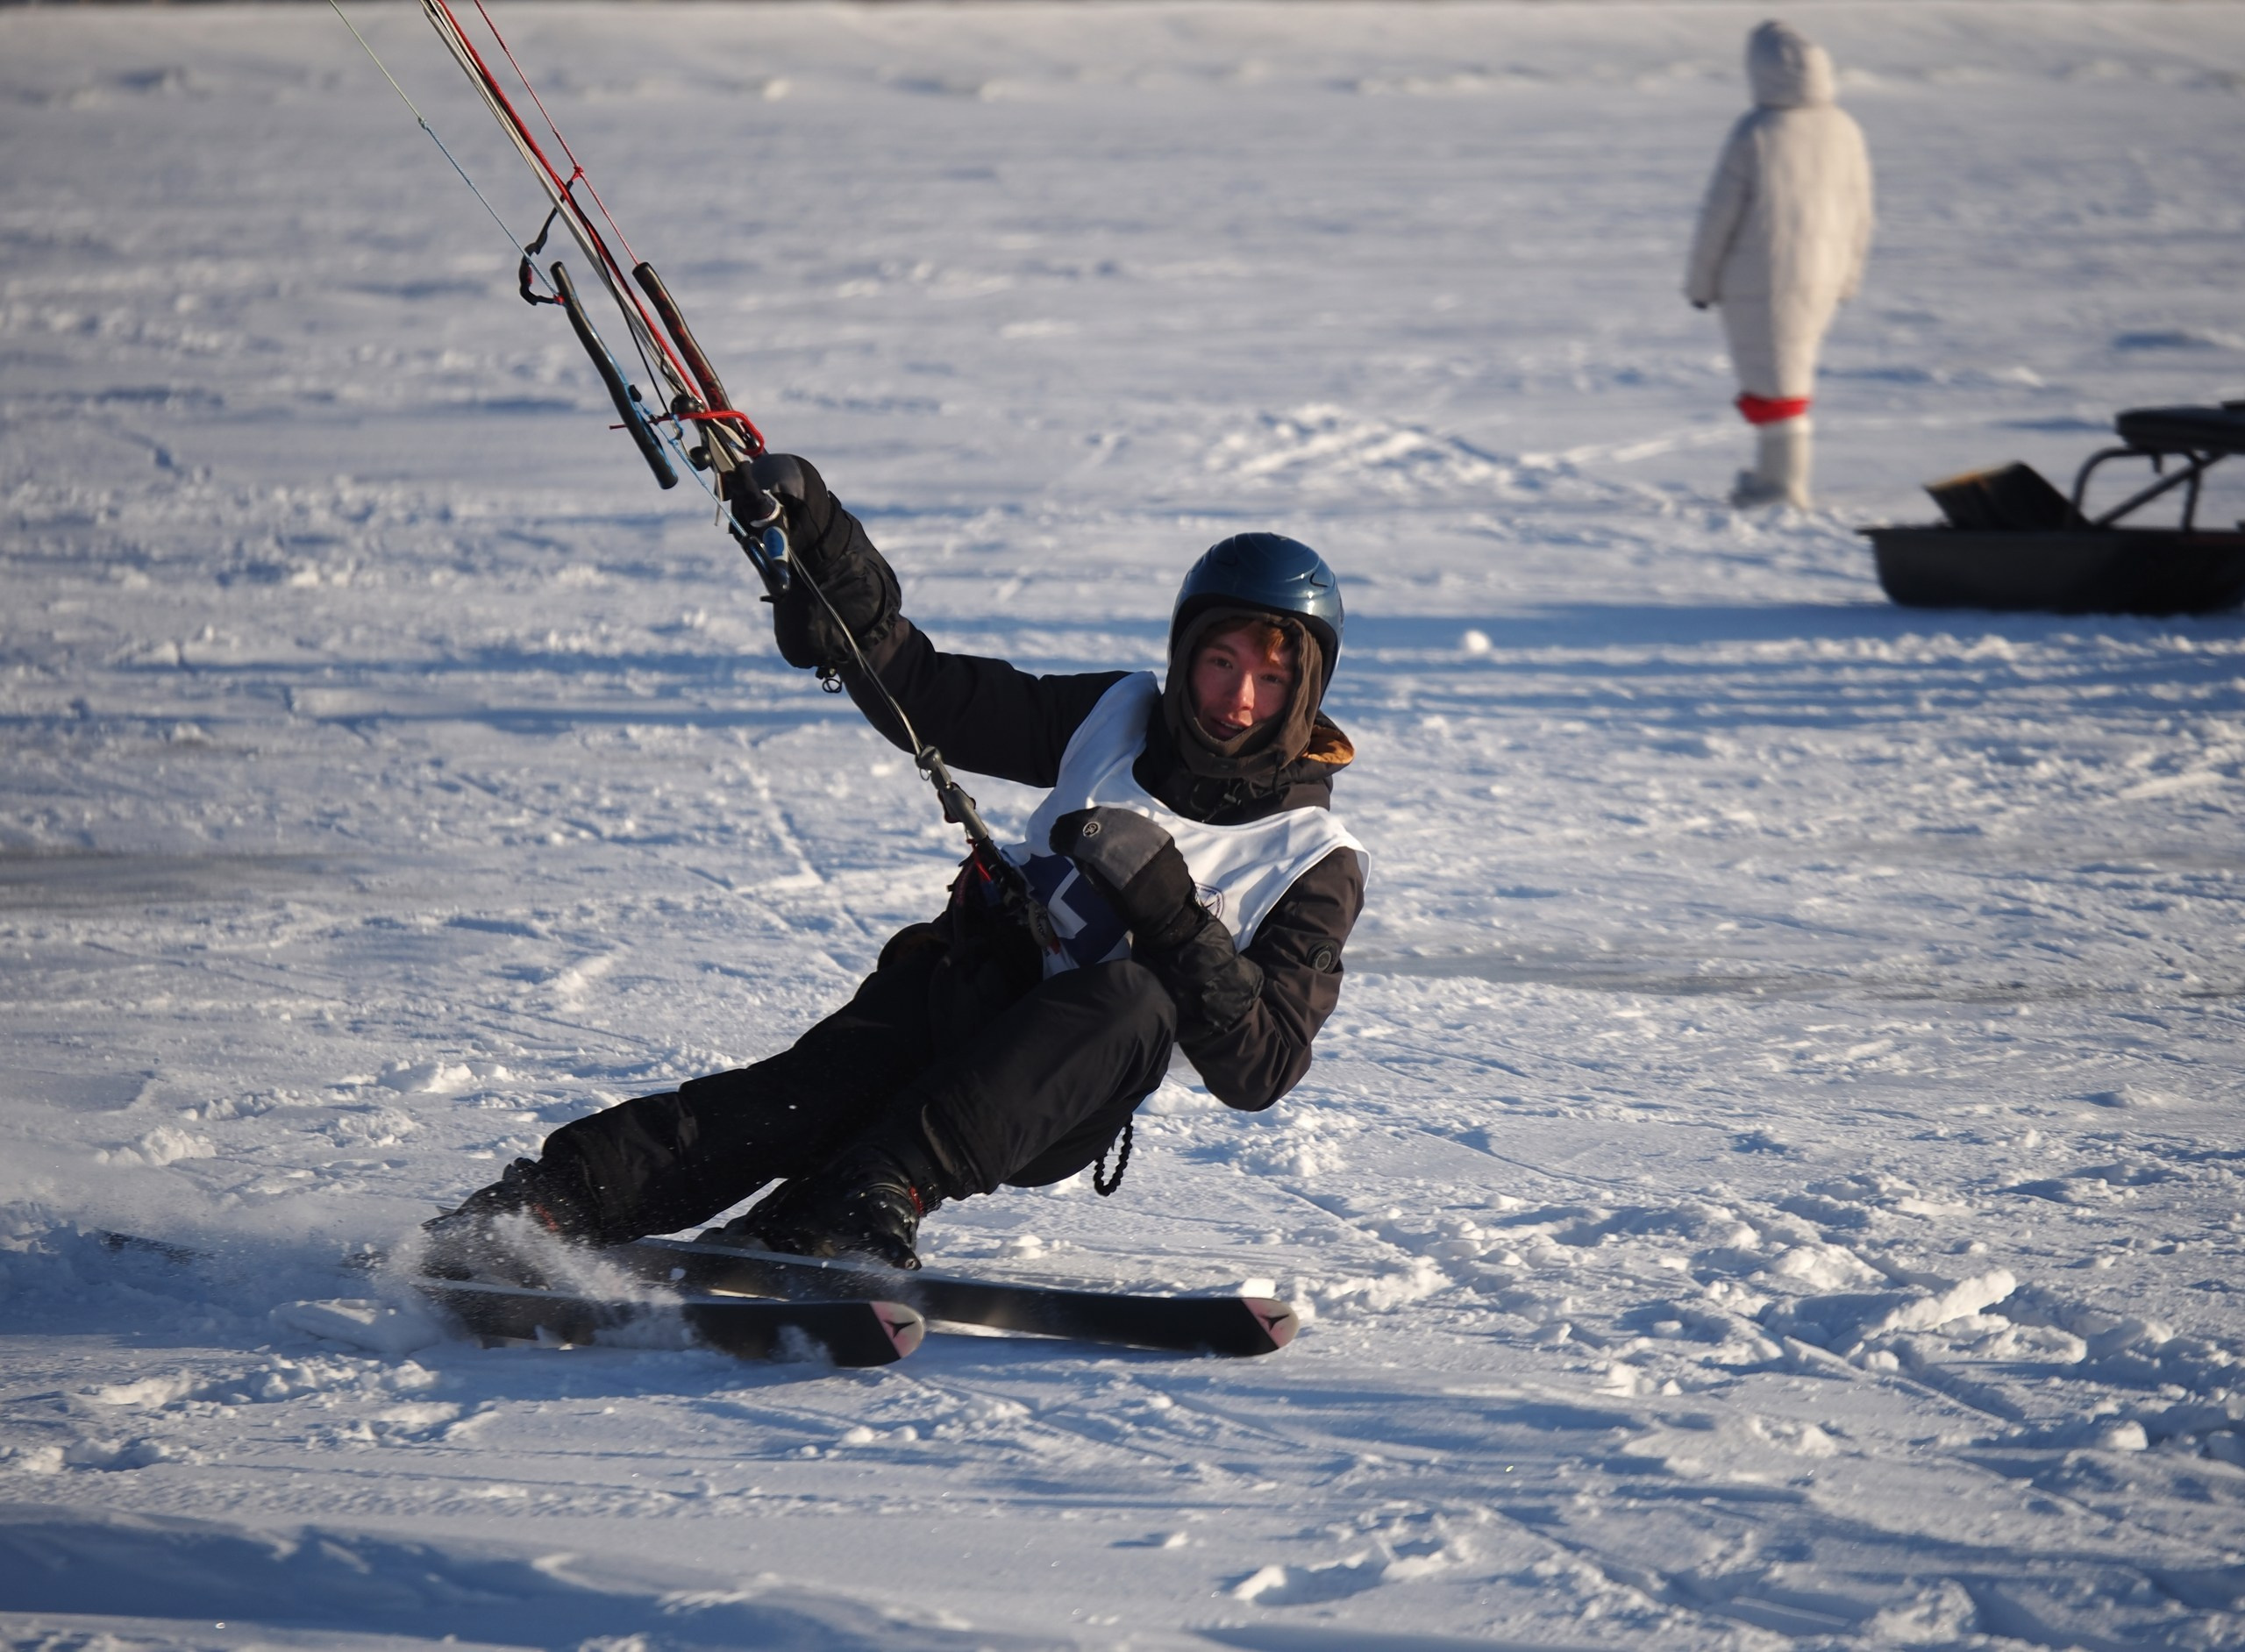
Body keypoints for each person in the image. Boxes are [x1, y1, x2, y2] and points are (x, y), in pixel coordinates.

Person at [421, 454, 1367, 1274]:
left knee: (1134, 1000)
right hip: (953, 998)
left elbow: (1262, 1069)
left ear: (1305, 686)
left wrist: (1169, 910)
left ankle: (873, 1192)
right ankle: (546, 1206)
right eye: (1220, 661)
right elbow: (924, 690)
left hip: (1047, 1097)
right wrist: (822, 545)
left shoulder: (1312, 860)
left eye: (1273, 676)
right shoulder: (1115, 715)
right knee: (778, 1108)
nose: (1239, 698)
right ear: (1184, 652)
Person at [1686, 18, 1874, 509]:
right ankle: (1772, 475)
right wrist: (1848, 276)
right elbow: (1861, 212)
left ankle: (1782, 486)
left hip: (1758, 273)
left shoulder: (1759, 129)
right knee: (1789, 371)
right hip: (1823, 272)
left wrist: (1699, 282)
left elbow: (1719, 214)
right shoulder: (1844, 128)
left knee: (1773, 376)